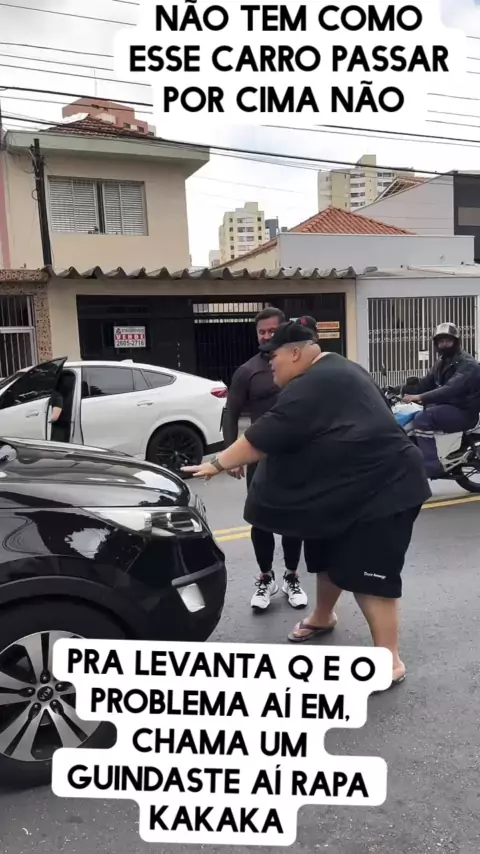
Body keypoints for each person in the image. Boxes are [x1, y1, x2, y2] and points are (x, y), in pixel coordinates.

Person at [184, 321, 431, 688]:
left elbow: (267, 434)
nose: (270, 365)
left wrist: (216, 463)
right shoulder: (337, 368)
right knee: (325, 551)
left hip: (384, 490)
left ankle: (389, 660)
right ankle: (323, 616)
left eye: (274, 358)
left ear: (296, 353)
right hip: (348, 488)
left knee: (370, 575)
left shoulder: (316, 382)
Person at [222, 307, 309, 611]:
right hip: (259, 455)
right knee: (260, 520)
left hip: (296, 454)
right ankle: (265, 577)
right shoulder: (247, 371)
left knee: (294, 520)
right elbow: (231, 412)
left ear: (284, 329)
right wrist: (231, 455)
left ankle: (291, 576)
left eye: (272, 330)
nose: (266, 336)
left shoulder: (300, 366)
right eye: (262, 332)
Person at [402, 323, 480, 479]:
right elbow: (426, 383)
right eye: (441, 341)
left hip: (463, 411)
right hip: (447, 407)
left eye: (448, 341)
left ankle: (431, 466)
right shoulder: (442, 362)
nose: (444, 344)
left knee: (423, 419)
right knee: (411, 417)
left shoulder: (468, 364)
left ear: (456, 342)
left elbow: (451, 389)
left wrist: (420, 397)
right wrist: (400, 389)